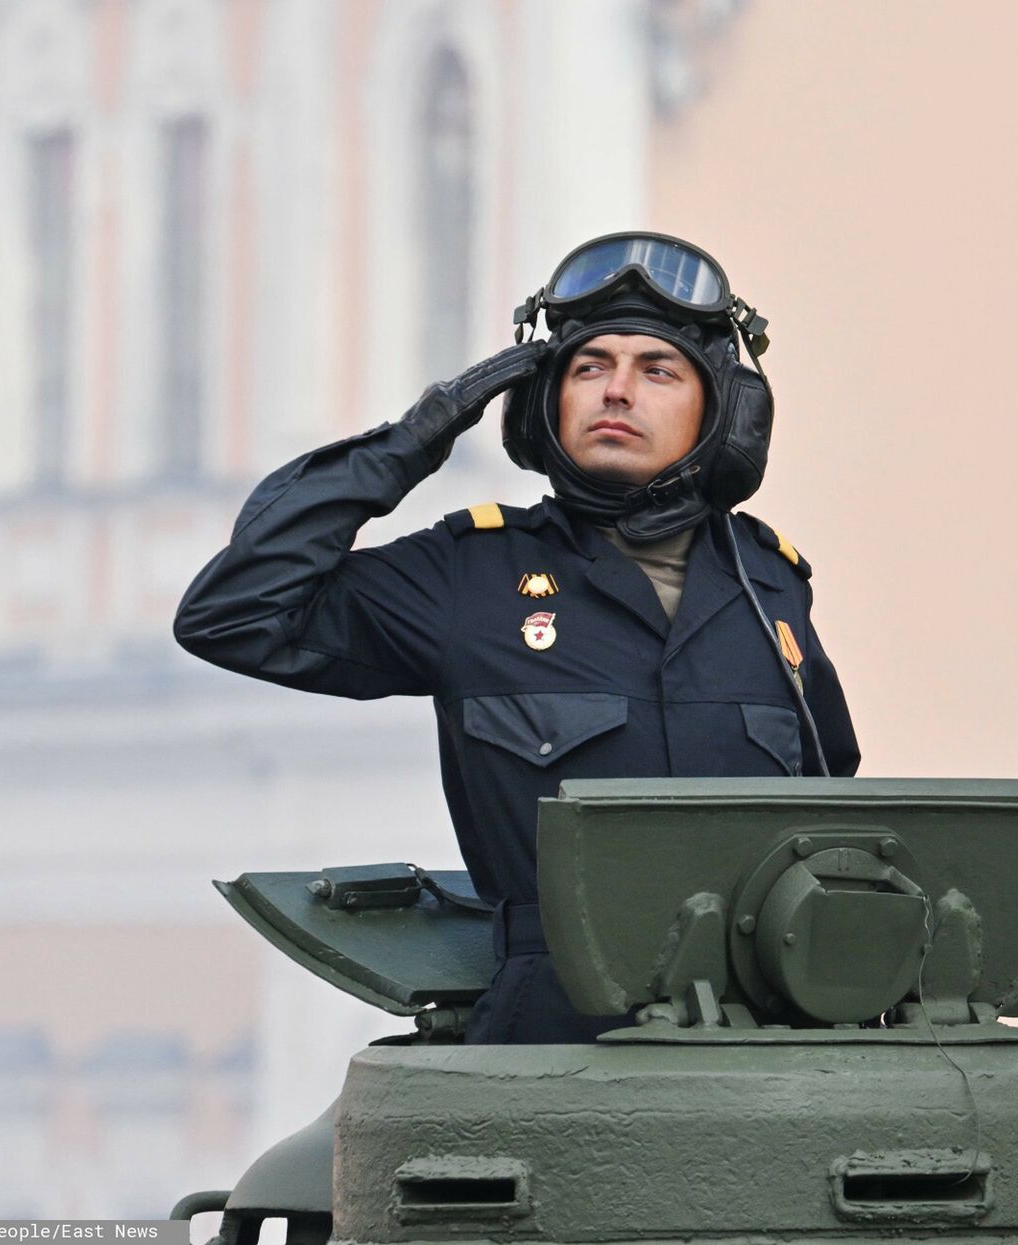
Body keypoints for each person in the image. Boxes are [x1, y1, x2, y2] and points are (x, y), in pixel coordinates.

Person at [175, 232, 860, 1043]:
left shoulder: (771, 586)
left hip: (767, 1047)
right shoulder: (471, 576)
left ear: (725, 413)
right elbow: (235, 610)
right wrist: (410, 444)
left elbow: (832, 807)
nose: (618, 392)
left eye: (659, 371)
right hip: (548, 1046)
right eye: (589, 367)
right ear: (545, 403)